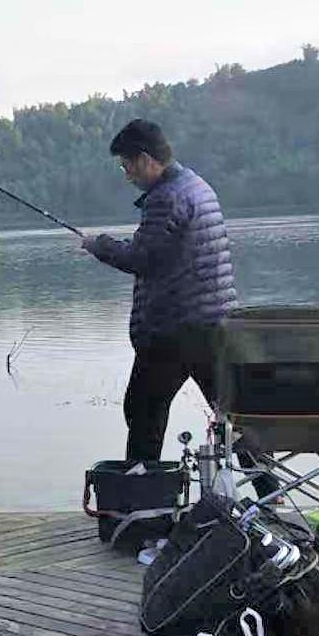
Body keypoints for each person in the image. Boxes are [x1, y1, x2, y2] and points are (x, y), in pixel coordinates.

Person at [81, 119, 237, 462]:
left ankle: (142, 497)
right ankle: (268, 495)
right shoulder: (197, 185)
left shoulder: (165, 198)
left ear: (145, 159)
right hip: (213, 325)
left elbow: (141, 258)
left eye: (127, 165)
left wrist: (98, 245)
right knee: (232, 417)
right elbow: (157, 252)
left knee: (142, 412)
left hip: (173, 330)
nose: (127, 175)